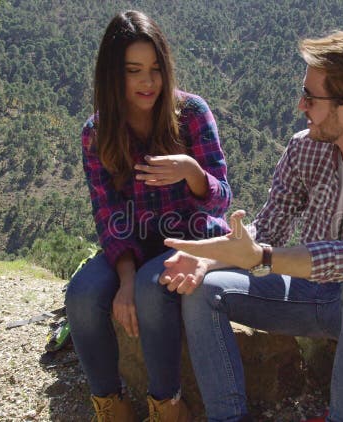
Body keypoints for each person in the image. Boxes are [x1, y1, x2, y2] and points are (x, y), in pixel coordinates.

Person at [135, 31, 343, 421]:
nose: (301, 105)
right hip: (308, 292)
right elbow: (272, 226)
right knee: (203, 289)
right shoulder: (304, 147)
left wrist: (262, 257)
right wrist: (212, 260)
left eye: (311, 97)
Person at [65, 11, 231, 422]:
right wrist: (122, 277)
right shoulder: (97, 132)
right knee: (82, 295)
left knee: (151, 286)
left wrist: (192, 172)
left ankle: (166, 405)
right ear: (112, 75)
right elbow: (106, 214)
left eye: (156, 69)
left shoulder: (191, 113)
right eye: (134, 71)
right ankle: (111, 404)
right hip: (132, 246)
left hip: (191, 241)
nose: (148, 82)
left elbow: (222, 200)